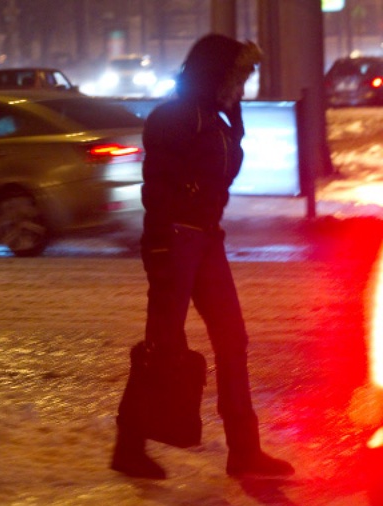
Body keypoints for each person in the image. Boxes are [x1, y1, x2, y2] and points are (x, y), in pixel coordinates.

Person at [110, 34, 295, 479]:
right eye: (239, 78)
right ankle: (129, 447)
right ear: (217, 74)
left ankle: (244, 451)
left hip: (206, 239)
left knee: (233, 340)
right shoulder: (175, 116)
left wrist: (233, 113)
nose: (244, 87)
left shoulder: (214, 117)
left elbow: (223, 170)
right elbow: (157, 184)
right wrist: (158, 244)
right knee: (163, 345)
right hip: (174, 240)